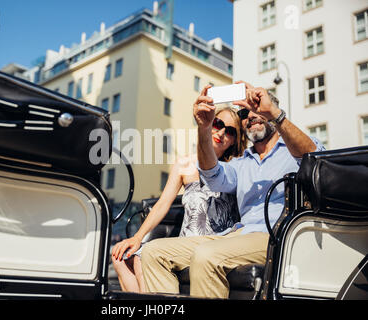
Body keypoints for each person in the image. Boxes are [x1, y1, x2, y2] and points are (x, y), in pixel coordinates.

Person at [141, 82, 325, 299]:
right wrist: (204, 127)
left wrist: (274, 114)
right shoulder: (242, 163)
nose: (252, 115)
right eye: (246, 112)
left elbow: (315, 158)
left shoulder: (292, 150)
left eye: (257, 107)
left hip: (279, 235)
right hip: (237, 235)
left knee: (206, 255)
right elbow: (212, 174)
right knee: (153, 252)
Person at [111, 106, 248, 293]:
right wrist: (137, 237)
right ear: (209, 123)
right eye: (218, 123)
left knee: (141, 259)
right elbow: (162, 205)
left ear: (234, 141)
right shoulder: (185, 164)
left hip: (217, 244)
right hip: (184, 243)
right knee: (120, 257)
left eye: (231, 131)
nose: (222, 132)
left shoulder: (236, 169)